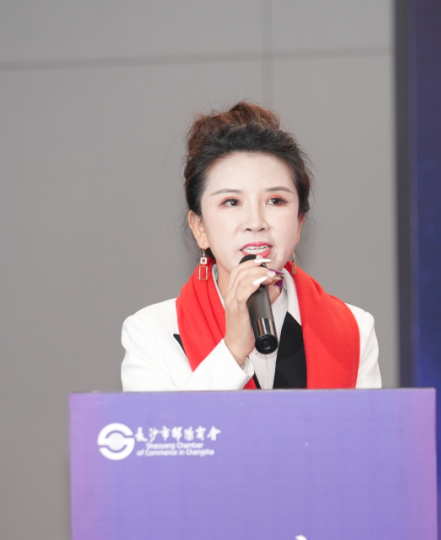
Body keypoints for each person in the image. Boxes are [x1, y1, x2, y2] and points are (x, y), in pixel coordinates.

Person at [120, 102, 381, 391]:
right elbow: (170, 423)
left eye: (275, 201)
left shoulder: (354, 328)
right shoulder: (151, 331)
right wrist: (232, 350)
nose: (255, 222)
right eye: (231, 202)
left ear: (299, 223)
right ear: (200, 228)